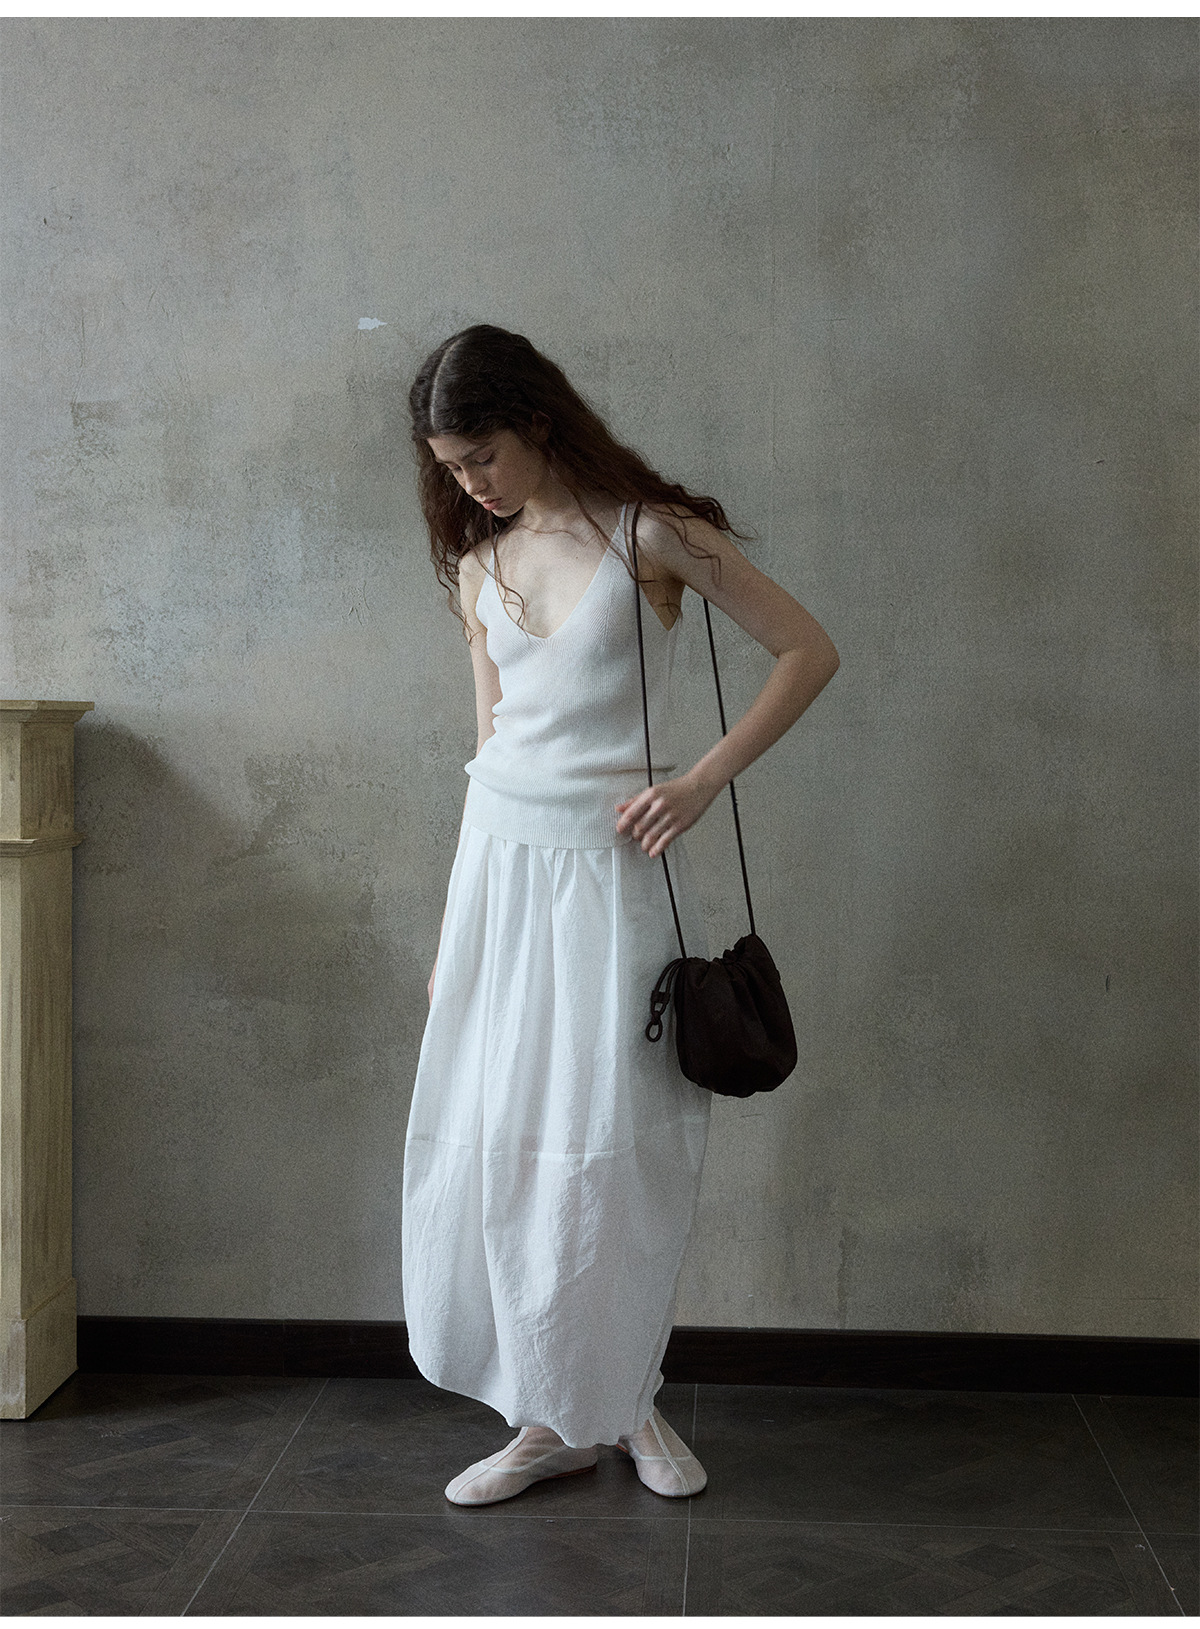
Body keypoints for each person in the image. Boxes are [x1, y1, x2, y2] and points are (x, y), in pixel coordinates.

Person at [401, 324, 839, 1507]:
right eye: (451, 468)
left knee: (611, 1153)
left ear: (537, 422)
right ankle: (551, 1419)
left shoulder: (651, 536)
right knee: (507, 1150)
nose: (470, 484)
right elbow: (488, 753)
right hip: (502, 881)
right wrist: (453, 936)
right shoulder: (480, 569)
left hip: (611, 878)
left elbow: (807, 650)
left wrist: (700, 781)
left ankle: (625, 1398)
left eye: (482, 457)